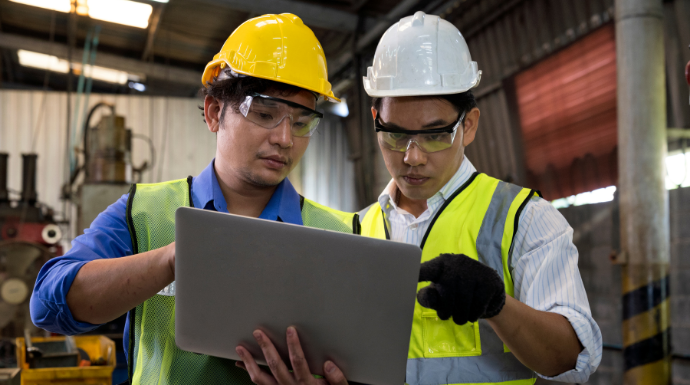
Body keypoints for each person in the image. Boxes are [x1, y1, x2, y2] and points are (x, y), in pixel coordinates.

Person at [30, 13, 352, 385]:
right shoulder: (145, 214)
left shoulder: (336, 234)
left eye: (300, 123)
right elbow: (48, 305)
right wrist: (170, 259)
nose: (284, 139)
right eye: (265, 114)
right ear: (215, 112)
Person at [357, 11, 602, 385]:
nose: (412, 157)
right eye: (393, 135)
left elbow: (568, 362)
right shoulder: (356, 228)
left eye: (435, 135)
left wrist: (497, 305)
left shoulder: (525, 219)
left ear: (468, 125)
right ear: (376, 118)